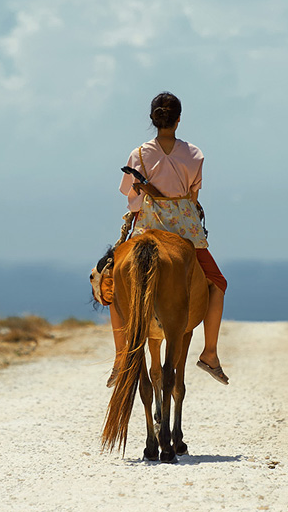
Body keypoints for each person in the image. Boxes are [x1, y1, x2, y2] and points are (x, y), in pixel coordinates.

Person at [108, 92, 229, 386]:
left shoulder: (137, 154)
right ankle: (210, 353)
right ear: (178, 120)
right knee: (218, 283)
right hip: (185, 231)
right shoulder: (195, 154)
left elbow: (129, 194)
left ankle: (121, 356)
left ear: (153, 119)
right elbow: (193, 194)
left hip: (147, 228)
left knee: (113, 283)